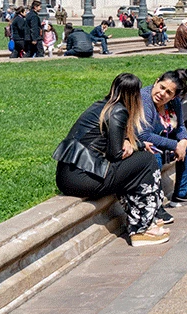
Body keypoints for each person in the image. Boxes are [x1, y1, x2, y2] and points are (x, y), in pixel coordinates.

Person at [53, 73, 169, 246]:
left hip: (69, 176)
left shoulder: (102, 106)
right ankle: (142, 228)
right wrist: (134, 146)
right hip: (83, 178)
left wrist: (134, 143)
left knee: (138, 163)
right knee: (146, 161)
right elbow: (116, 154)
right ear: (133, 95)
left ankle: (146, 218)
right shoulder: (119, 111)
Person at [138, 69, 187, 208]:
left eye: (169, 92)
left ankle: (182, 194)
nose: (162, 94)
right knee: (154, 156)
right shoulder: (144, 99)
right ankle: (154, 206)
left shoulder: (174, 103)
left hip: (164, 142)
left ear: (174, 96)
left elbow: (181, 125)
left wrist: (183, 141)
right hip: (144, 145)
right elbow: (144, 134)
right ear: (156, 81)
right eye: (161, 87)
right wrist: (175, 145)